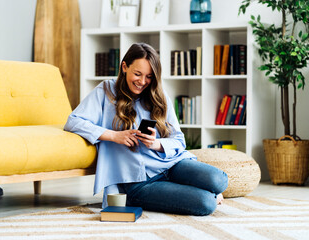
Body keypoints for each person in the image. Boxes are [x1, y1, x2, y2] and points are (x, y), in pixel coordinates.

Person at [64, 43, 228, 216]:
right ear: (125, 66)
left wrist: (156, 144)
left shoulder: (159, 97)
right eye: (137, 74)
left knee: (219, 180)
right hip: (138, 183)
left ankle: (192, 189)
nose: (142, 82)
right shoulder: (105, 91)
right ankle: (147, 197)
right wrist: (114, 136)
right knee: (206, 203)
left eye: (149, 76)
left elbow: (179, 140)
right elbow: (73, 121)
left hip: (171, 165)